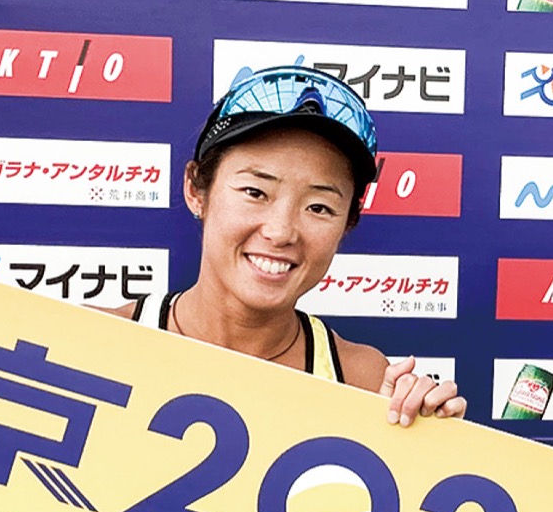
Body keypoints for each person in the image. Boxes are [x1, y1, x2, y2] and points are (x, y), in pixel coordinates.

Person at [108, 65, 464, 424]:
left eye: (319, 207)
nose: (280, 232)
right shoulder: (94, 342)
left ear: (347, 223)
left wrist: (420, 438)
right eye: (255, 192)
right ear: (196, 190)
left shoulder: (365, 381)